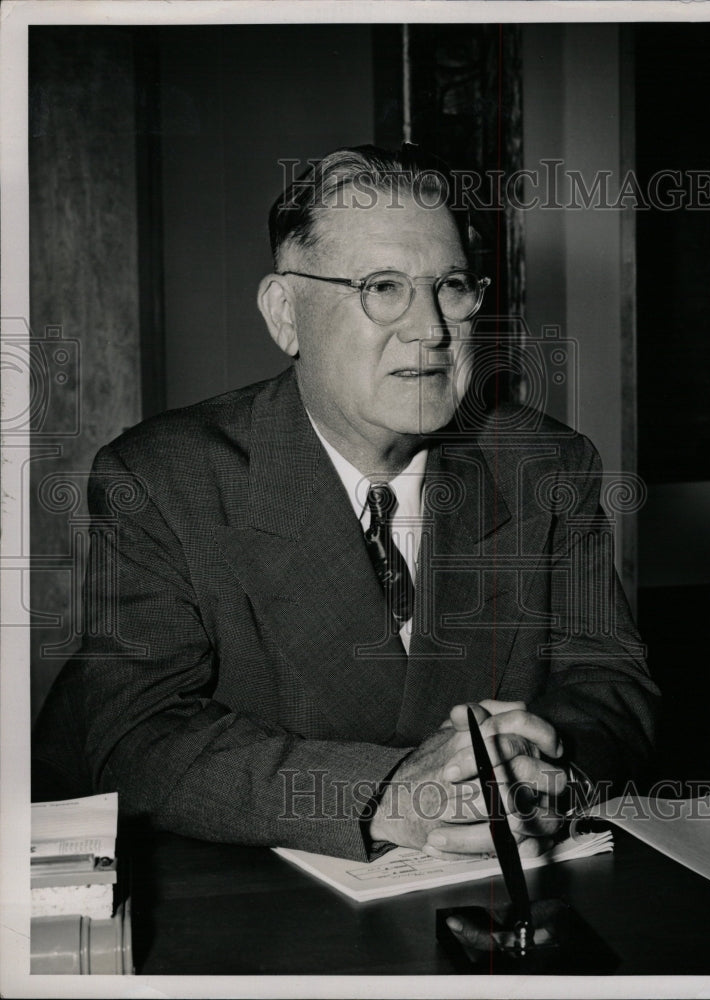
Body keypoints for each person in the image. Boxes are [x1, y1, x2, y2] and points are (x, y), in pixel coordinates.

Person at [32, 145, 659, 863]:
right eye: (384, 286)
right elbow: (135, 738)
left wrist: (545, 766)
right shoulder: (162, 479)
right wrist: (384, 792)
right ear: (286, 313)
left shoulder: (546, 466)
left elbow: (608, 682)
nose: (430, 328)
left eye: (451, 285)